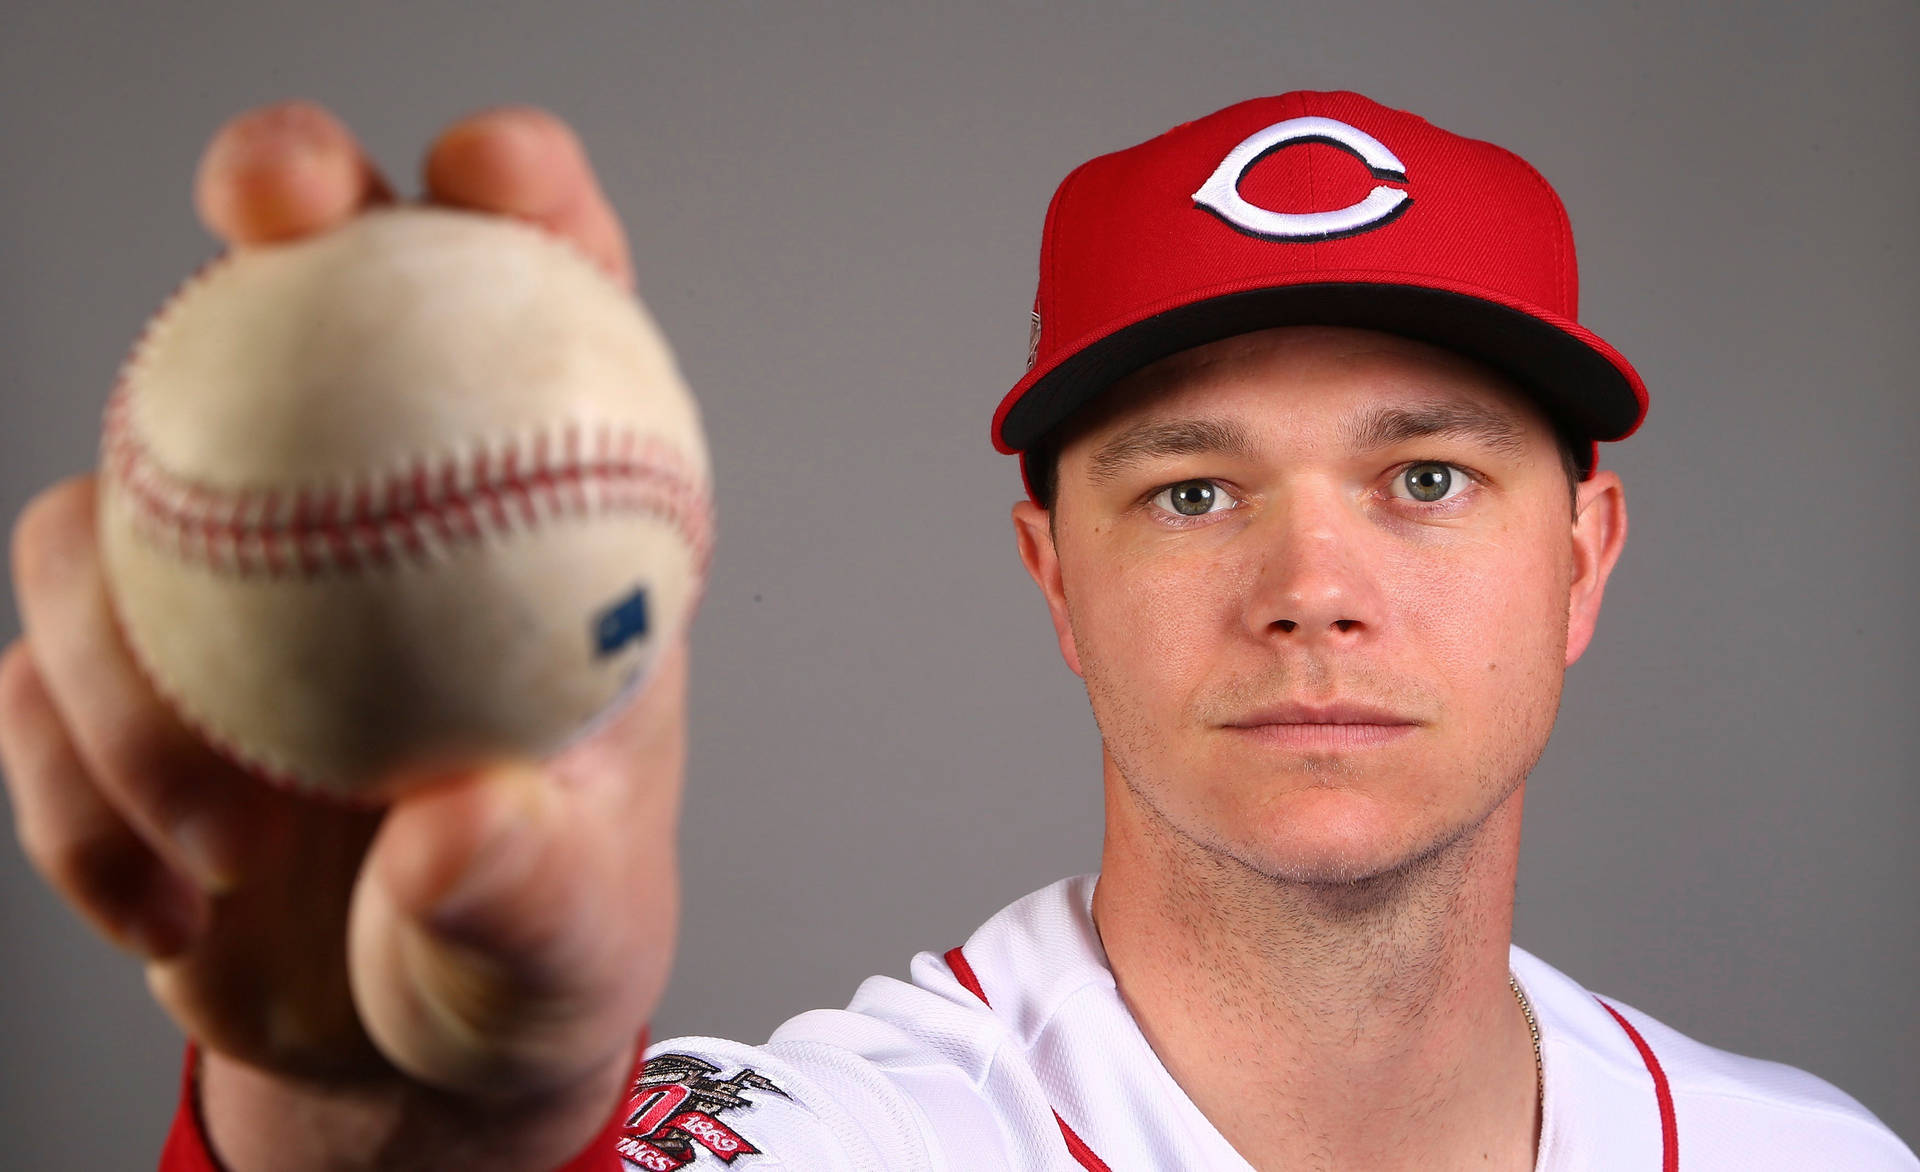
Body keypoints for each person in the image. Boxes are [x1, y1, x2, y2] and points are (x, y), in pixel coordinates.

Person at [1, 90, 1912, 1171]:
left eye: (1426, 476)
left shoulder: (1824, 1162)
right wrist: (370, 1144)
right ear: (1051, 579)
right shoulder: (867, 1137)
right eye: (1190, 491)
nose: (1312, 584)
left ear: (1586, 559)